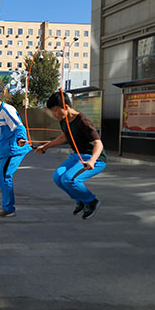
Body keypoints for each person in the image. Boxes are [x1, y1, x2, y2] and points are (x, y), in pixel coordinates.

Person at [35, 91, 107, 220]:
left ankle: (91, 201)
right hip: (76, 157)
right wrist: (45, 146)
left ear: (66, 107)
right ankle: (80, 199)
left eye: (56, 110)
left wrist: (92, 160)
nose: (54, 114)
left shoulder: (83, 121)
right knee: (57, 176)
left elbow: (98, 143)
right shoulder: (64, 120)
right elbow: (65, 137)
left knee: (69, 179)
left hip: (93, 158)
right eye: (52, 111)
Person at [0, 90, 32, 217]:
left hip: (13, 150)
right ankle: (8, 207)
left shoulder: (6, 110)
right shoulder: (0, 112)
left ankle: (9, 209)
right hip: (6, 150)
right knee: (3, 177)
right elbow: (5, 127)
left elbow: (18, 126)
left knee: (4, 177)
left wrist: (20, 138)